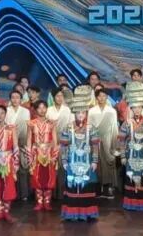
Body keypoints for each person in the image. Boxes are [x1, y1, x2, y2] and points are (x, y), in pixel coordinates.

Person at [117, 83, 143, 211]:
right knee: (131, 178)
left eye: (139, 107)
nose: (137, 110)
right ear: (131, 108)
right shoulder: (126, 123)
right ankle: (132, 203)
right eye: (134, 107)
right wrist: (123, 156)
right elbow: (121, 140)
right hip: (131, 157)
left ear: (142, 107)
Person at [60, 86, 100, 222]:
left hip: (87, 163)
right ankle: (72, 213)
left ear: (86, 113)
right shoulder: (68, 128)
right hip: (72, 163)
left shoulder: (91, 128)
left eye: (83, 113)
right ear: (74, 113)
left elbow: (95, 146)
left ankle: (87, 213)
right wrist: (64, 161)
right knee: (72, 187)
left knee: (86, 187)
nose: (81, 115)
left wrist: (95, 161)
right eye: (78, 113)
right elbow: (63, 146)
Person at [26, 100, 59, 211]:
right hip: (36, 153)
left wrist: (54, 154)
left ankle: (47, 202)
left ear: (46, 109)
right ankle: (39, 202)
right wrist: (29, 155)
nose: (42, 110)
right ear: (36, 110)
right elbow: (29, 140)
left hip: (48, 153)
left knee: (49, 177)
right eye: (39, 108)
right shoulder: (31, 123)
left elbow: (54, 140)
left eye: (44, 107)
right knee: (37, 177)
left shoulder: (51, 123)